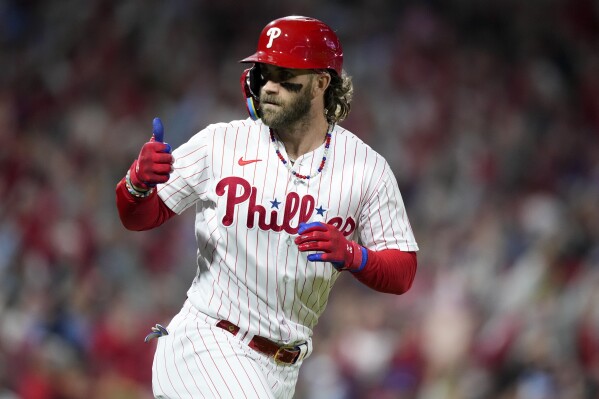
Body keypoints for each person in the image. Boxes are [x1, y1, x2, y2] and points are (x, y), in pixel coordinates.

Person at [116, 15, 419, 399]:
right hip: (207, 341)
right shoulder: (220, 143)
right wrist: (136, 184)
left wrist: (354, 256)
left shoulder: (366, 168)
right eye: (263, 74)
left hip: (281, 369)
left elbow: (403, 269)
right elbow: (137, 217)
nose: (270, 87)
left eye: (283, 74)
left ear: (322, 82)